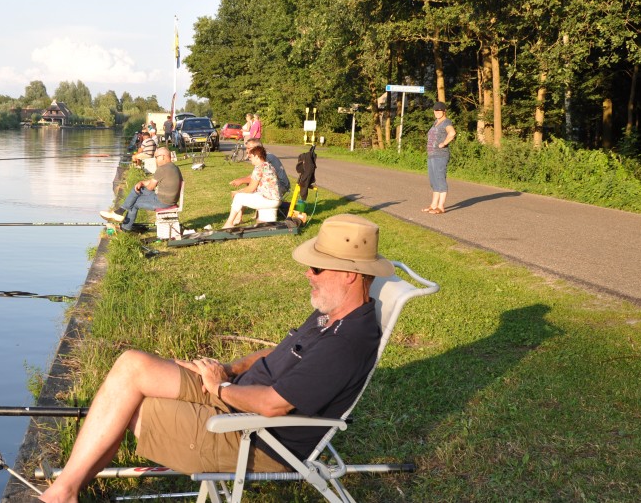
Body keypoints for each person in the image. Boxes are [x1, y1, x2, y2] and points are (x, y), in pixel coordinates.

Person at [36, 215, 393, 503]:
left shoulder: (345, 343)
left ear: (349, 274)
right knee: (132, 365)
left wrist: (219, 388)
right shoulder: (331, 315)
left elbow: (272, 406)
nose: (307, 274)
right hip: (236, 395)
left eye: (316, 269)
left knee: (132, 407)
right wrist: (230, 369)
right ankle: (66, 491)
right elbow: (276, 352)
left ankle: (63, 493)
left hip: (255, 436)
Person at [101, 146, 182, 232]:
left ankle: (124, 226)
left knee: (134, 202)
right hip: (168, 199)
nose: (155, 160)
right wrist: (142, 182)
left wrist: (143, 185)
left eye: (156, 157)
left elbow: (151, 187)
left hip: (163, 202)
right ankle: (119, 212)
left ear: (163, 156)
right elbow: (153, 181)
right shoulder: (173, 167)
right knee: (139, 189)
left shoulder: (162, 169)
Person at [223, 145, 280, 229]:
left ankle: (229, 223)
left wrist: (237, 192)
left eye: (251, 157)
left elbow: (251, 188)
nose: (250, 159)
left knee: (238, 197)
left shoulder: (259, 167)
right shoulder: (269, 166)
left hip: (267, 199)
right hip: (275, 200)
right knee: (265, 225)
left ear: (257, 156)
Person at [424, 101, 456, 214]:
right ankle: (433, 205)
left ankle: (441, 206)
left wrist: (444, 143)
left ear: (444, 111)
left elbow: (452, 133)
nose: (437, 112)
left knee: (440, 179)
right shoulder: (436, 122)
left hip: (440, 155)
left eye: (439, 110)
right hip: (432, 155)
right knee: (433, 181)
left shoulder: (446, 122)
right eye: (435, 110)